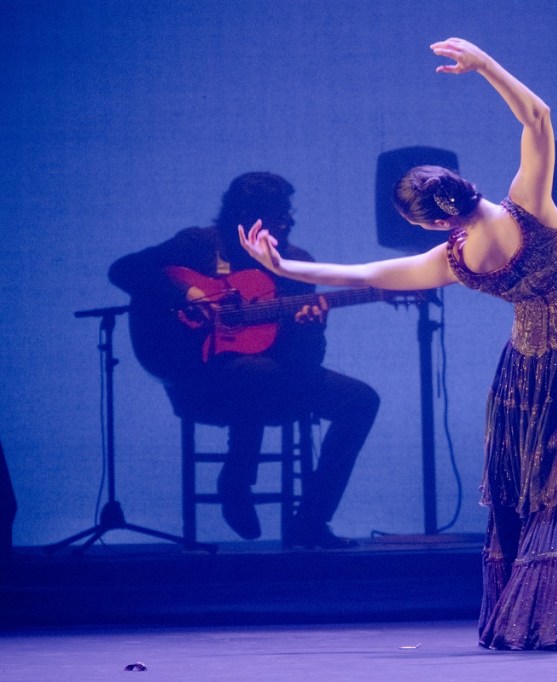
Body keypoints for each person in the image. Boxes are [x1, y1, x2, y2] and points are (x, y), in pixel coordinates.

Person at [239, 38, 557, 650]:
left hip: (551, 364)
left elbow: (372, 273)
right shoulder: (528, 204)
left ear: (433, 221)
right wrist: (485, 66)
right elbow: (538, 116)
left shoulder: (457, 258)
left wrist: (288, 268)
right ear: (462, 187)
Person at [109, 172, 379, 548]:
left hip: (276, 379)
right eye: (277, 215)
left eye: (288, 213)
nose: (287, 222)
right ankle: (237, 480)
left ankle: (311, 521)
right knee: (256, 371)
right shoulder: (200, 245)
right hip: (201, 379)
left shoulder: (296, 263)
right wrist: (187, 292)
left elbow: (303, 362)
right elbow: (124, 270)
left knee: (361, 400)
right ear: (245, 217)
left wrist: (310, 329)